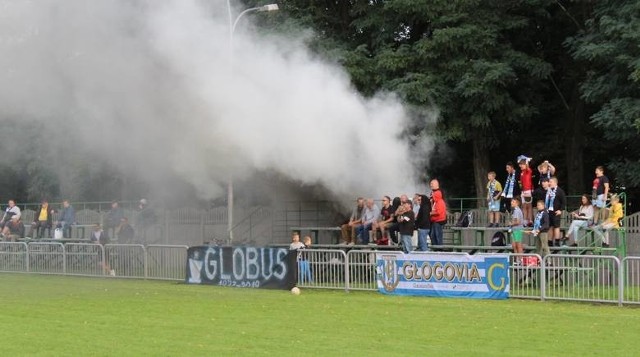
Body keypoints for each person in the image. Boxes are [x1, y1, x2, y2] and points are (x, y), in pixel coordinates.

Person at [545, 177, 567, 247]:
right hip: (549, 212)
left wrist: (560, 210)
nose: (549, 183)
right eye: (549, 182)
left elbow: (564, 202)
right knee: (550, 227)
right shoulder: (548, 191)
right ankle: (550, 241)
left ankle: (557, 241)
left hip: (556, 212)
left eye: (550, 182)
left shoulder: (560, 191)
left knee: (556, 227)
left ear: (555, 182)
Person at [429, 179, 447, 246]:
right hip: (435, 220)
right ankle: (436, 248)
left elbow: (438, 212)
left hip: (438, 220)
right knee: (433, 235)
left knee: (437, 235)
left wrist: (430, 213)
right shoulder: (435, 202)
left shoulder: (439, 202)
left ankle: (439, 249)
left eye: (432, 184)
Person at [518, 155, 534, 225]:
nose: (520, 166)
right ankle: (525, 221)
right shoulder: (521, 173)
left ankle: (530, 220)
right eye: (520, 164)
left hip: (528, 190)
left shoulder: (528, 171)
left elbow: (528, 168)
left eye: (522, 164)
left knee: (529, 206)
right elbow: (521, 183)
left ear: (526, 164)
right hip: (523, 191)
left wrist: (526, 160)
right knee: (524, 206)